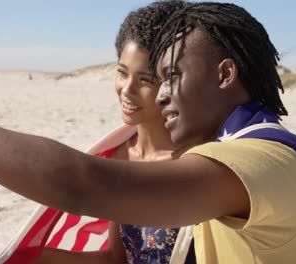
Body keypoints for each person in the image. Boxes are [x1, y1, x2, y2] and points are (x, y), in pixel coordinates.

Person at [0, 2, 296, 263]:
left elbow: (81, 183)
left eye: (168, 77)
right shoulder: (237, 152)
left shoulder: (265, 160)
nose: (161, 95)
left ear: (224, 74)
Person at [32, 1, 194, 264]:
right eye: (122, 72)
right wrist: (34, 258)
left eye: (145, 80)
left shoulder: (196, 162)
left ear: (171, 83)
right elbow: (115, 259)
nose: (127, 89)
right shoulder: (117, 155)